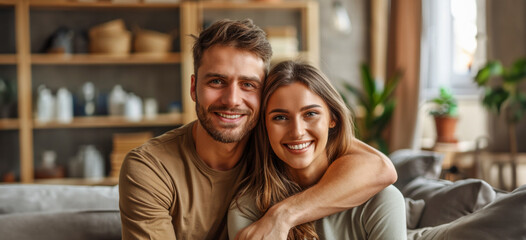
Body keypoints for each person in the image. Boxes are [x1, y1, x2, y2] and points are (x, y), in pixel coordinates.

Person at [119, 19, 397, 240]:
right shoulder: (150, 168)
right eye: (216, 81)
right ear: (194, 87)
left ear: (264, 95)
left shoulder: (278, 140)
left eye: (248, 85)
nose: (232, 99)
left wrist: (283, 215)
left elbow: (380, 168)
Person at [228, 60, 406, 240]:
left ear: (333, 118)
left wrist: (283, 215)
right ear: (264, 126)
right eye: (280, 117)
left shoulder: (380, 201)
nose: (297, 131)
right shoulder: (246, 209)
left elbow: (383, 167)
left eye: (310, 114)